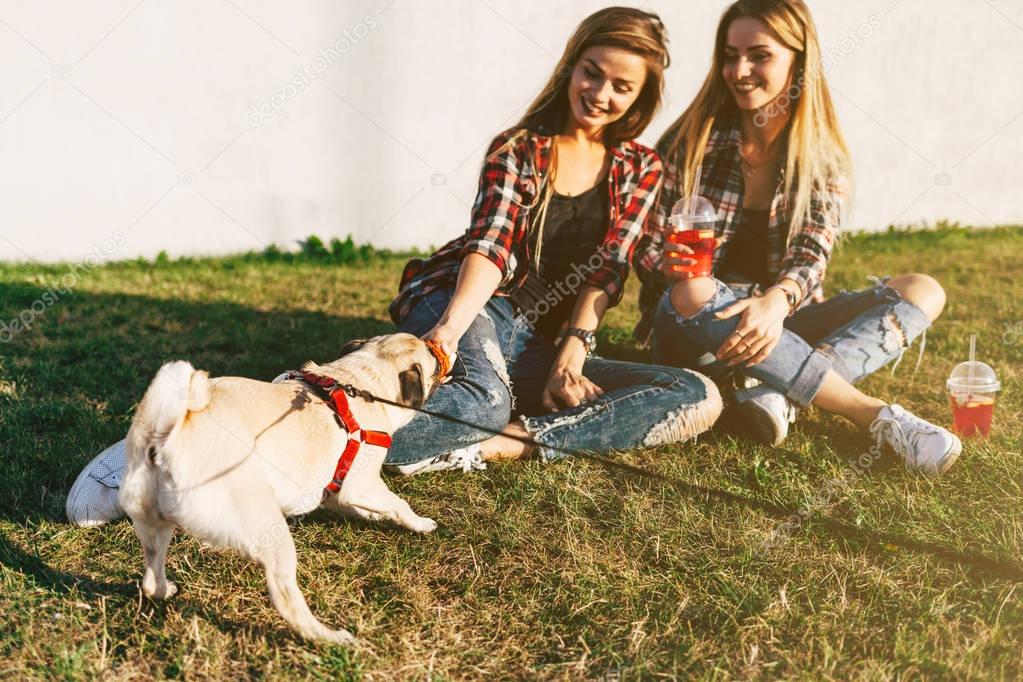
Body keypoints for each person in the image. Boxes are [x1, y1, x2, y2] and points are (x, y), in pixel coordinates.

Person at [66, 7, 722, 526]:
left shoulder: (640, 168)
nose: (601, 93)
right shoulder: (521, 148)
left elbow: (607, 272)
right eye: (591, 72)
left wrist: (571, 355)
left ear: (642, 96)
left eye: (621, 86)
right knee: (483, 396)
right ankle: (200, 448)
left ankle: (494, 445)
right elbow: (489, 247)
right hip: (471, 304)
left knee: (693, 394)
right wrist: (446, 332)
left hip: (546, 340)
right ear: (570, 68)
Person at [632, 0, 960, 474]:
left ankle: (770, 386)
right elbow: (645, 246)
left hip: (780, 320)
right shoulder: (691, 140)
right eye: (729, 54)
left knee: (922, 289)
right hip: (694, 324)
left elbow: (813, 253)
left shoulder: (820, 155)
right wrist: (682, 270)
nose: (739, 70)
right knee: (694, 288)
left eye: (758, 55)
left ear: (798, 60)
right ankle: (868, 412)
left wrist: (776, 302)